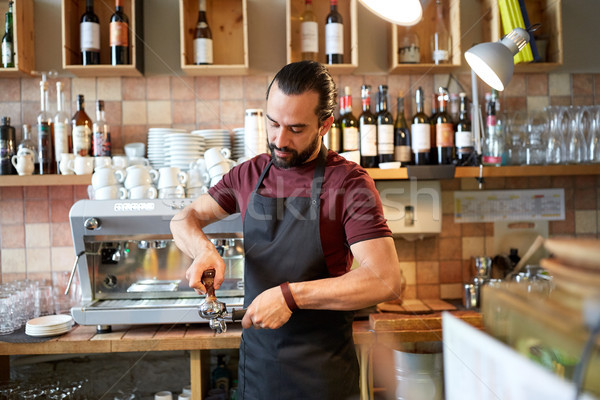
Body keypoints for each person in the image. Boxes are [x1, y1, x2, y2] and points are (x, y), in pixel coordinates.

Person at [170, 60, 404, 400]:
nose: (279, 140)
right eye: (273, 123)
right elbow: (184, 218)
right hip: (258, 374)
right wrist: (204, 250)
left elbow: (385, 279)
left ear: (325, 125)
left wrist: (290, 297)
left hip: (322, 378)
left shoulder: (349, 183)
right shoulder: (248, 175)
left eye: (295, 129)